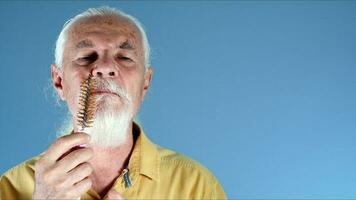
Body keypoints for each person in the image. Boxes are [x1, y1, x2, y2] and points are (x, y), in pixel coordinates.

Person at [0, 6, 226, 200]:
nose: (104, 67)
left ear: (145, 83)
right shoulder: (10, 187)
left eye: (124, 58)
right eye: (87, 57)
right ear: (59, 81)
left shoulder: (196, 187)